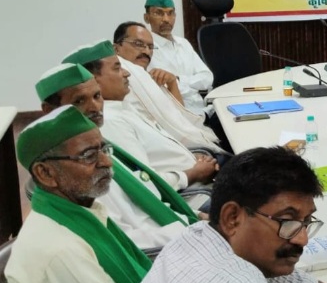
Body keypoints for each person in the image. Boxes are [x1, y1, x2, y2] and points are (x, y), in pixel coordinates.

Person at [112, 146, 327, 283]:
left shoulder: (199, 237)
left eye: (306, 221)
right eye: (286, 221)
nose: (302, 239)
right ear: (232, 218)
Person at [6, 106, 151, 283]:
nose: (107, 162)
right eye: (89, 156)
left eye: (104, 149)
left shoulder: (80, 211)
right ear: (46, 173)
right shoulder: (60, 252)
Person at [36, 63, 199, 250]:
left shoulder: (99, 146)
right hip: (163, 250)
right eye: (79, 101)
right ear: (49, 110)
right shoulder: (71, 167)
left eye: (97, 96)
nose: (94, 107)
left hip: (174, 227)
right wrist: (195, 230)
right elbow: (122, 239)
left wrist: (195, 218)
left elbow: (146, 200)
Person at [63, 40, 217, 209]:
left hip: (199, 178)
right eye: (117, 68)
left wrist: (192, 159)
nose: (126, 73)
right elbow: (145, 184)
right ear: (93, 81)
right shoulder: (110, 122)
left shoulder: (123, 107)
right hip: (191, 198)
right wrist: (193, 173)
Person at [113, 21, 228, 154]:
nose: (146, 51)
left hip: (196, 127)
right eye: (138, 44)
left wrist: (173, 83)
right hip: (188, 147)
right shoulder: (123, 77)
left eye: (150, 47)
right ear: (116, 48)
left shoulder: (148, 75)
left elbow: (178, 116)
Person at [142, 0, 215, 115]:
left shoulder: (183, 43)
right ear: (146, 18)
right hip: (176, 115)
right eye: (159, 13)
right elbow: (163, 89)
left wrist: (178, 80)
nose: (166, 19)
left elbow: (208, 78)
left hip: (204, 110)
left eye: (170, 13)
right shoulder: (145, 49)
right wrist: (193, 85)